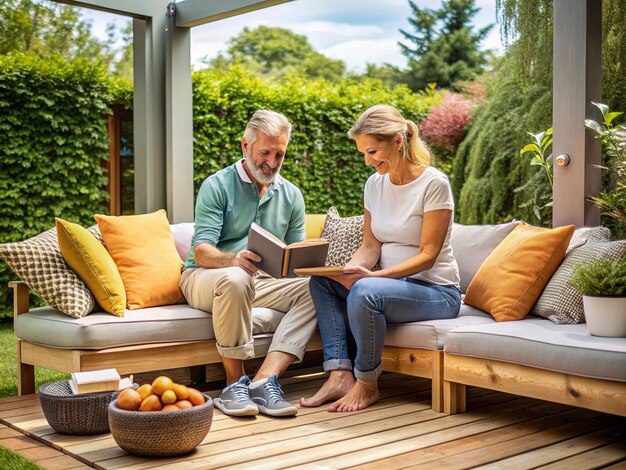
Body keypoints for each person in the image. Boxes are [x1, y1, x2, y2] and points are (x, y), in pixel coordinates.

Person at [300, 104, 461, 412]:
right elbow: (370, 247)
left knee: (365, 291)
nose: (367, 161)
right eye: (363, 153)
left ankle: (367, 383)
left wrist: (373, 278)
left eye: (373, 151)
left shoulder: (434, 184)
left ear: (398, 141)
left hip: (436, 292)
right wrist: (347, 271)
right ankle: (339, 374)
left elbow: (428, 256)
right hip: (389, 288)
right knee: (322, 282)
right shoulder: (375, 184)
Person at [180, 110, 317, 418]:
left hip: (263, 281)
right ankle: (232, 384)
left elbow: (292, 255)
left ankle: (264, 380)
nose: (272, 162)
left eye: (279, 154)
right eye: (264, 153)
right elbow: (202, 251)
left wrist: (307, 264)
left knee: (317, 286)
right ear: (245, 146)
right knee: (237, 277)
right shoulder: (217, 185)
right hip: (205, 275)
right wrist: (234, 259)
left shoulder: (292, 195)